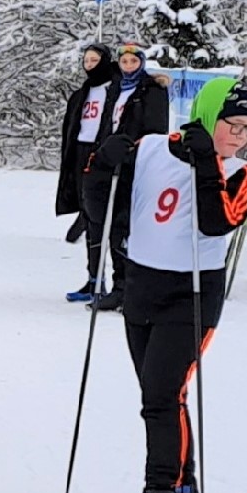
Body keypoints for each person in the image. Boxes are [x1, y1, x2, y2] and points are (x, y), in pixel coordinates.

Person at [85, 76, 247, 493]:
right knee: (161, 399)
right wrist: (104, 162)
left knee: (161, 396)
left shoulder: (238, 171)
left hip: (194, 294)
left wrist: (206, 158)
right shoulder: (154, 148)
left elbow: (215, 220)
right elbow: (99, 200)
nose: (239, 137)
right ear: (207, 115)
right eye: (232, 125)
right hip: (142, 285)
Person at [77, 41, 171, 312]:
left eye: (134, 62)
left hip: (134, 164)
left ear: (142, 62)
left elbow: (155, 130)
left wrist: (130, 149)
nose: (129, 66)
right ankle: (117, 287)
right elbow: (108, 123)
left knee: (126, 227)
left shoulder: (151, 90)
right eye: (125, 62)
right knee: (109, 224)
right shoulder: (116, 88)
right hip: (109, 163)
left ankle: (130, 288)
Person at [53, 42, 116, 303]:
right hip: (80, 153)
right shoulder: (83, 93)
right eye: (86, 61)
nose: (90, 65)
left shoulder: (115, 88)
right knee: (90, 219)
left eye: (94, 60)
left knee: (104, 221)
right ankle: (94, 279)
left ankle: (114, 282)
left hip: (103, 154)